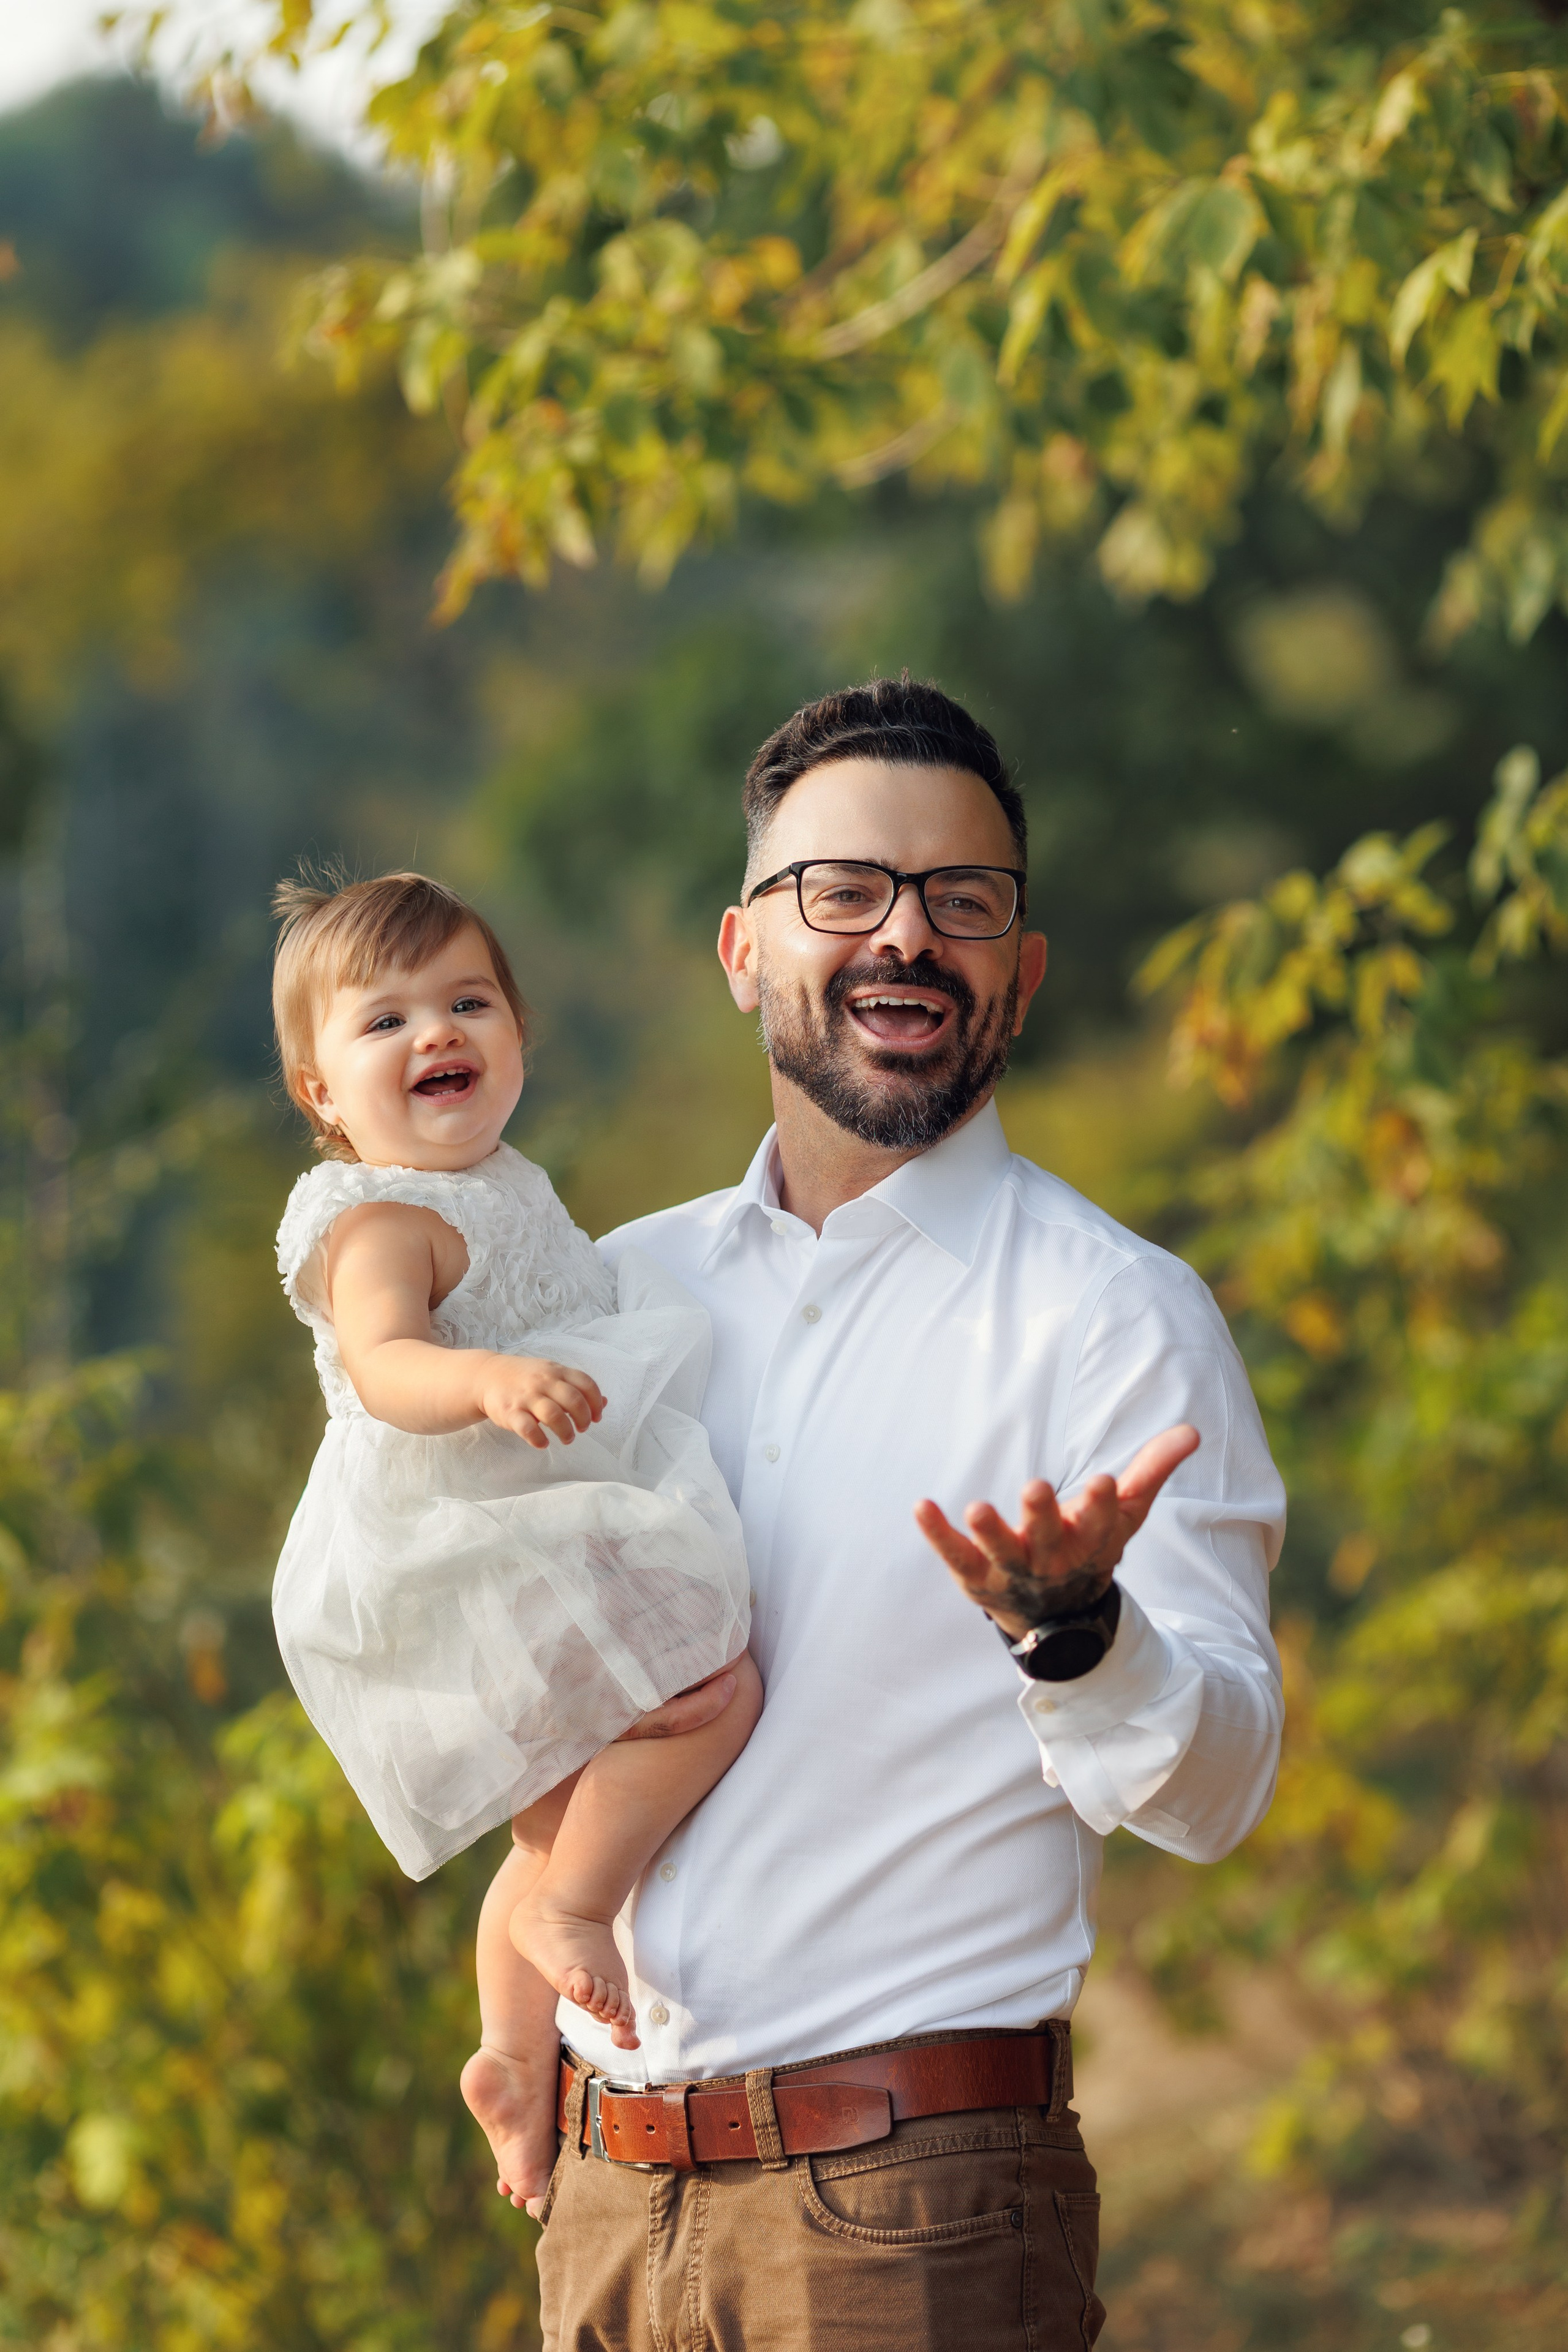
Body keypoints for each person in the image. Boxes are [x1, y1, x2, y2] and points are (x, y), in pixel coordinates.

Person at [533, 678, 1286, 2351]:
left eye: (965, 901)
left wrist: (1081, 1638)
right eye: (846, 892)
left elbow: (1224, 1783)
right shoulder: (612, 1299)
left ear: (1021, 970)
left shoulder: (1113, 1317)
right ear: (744, 953)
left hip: (912, 2215)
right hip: (601, 2196)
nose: (907, 937)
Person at [267, 871, 762, 2210]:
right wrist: (483, 1379)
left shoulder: (494, 1183)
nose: (436, 1033)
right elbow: (381, 1368)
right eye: (384, 1023)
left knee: (549, 1825)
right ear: (321, 1092)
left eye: (467, 1002)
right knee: (711, 1694)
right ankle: (573, 1920)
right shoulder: (380, 1218)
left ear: (518, 1038)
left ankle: (507, 2063)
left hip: (535, 1518)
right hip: (470, 1543)